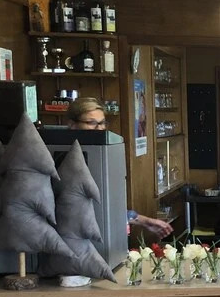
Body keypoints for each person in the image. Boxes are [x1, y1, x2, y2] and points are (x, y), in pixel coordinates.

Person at [68, 97, 173, 238]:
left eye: (102, 123)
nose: (99, 128)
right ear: (72, 125)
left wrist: (143, 221)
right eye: (91, 123)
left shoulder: (101, 155)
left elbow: (108, 206)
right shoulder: (65, 158)